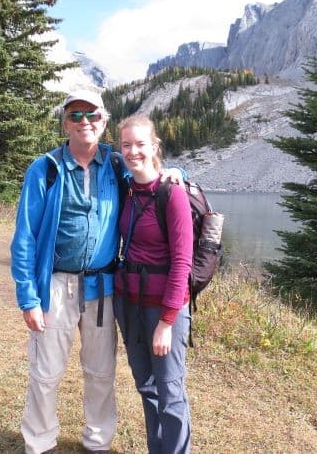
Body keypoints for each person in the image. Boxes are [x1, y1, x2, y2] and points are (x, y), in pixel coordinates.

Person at [10, 90, 183, 454]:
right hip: (56, 285)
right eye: (75, 115)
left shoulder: (116, 165)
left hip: (103, 287)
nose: (84, 122)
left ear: (103, 122)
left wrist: (174, 171)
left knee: (102, 373)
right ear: (65, 123)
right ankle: (39, 444)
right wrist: (28, 296)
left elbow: (147, 173)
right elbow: (24, 236)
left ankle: (97, 442)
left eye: (91, 115)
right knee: (46, 373)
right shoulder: (46, 169)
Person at [114, 114, 193, 453]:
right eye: (127, 145)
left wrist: (166, 322)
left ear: (154, 146)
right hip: (129, 305)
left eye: (140, 144)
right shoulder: (126, 186)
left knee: (171, 392)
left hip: (163, 310)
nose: (133, 152)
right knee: (146, 386)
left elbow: (182, 263)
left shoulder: (172, 194)